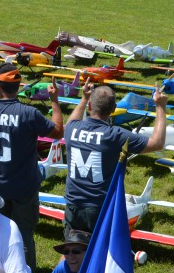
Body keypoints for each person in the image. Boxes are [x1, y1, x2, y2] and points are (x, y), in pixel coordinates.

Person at [0, 62, 63, 273]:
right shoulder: (30, 113)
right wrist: (54, 101)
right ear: (18, 86)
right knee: (24, 234)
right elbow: (57, 132)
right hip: (24, 187)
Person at [63, 81, 167, 233]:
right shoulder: (116, 135)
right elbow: (157, 143)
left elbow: (72, 120)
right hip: (100, 207)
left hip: (72, 204)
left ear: (90, 106)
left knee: (71, 251)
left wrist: (84, 99)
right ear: (113, 109)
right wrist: (160, 107)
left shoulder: (72, 129)